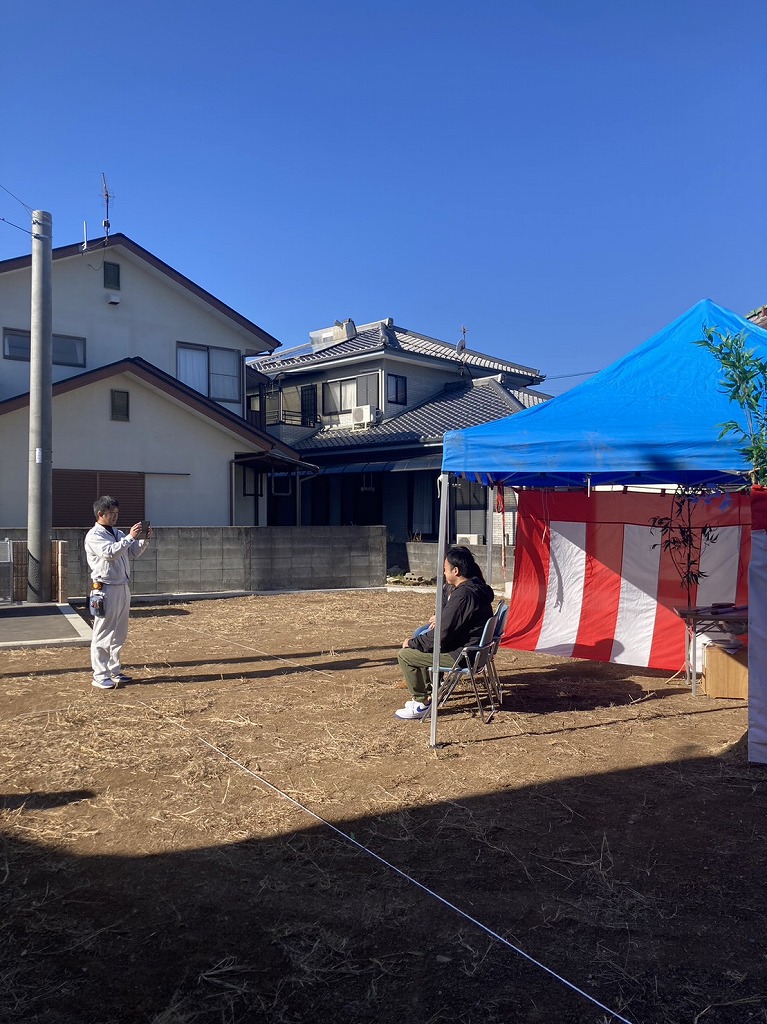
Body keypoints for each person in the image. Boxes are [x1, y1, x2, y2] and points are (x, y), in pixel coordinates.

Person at [394, 546, 495, 720]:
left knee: (405, 655)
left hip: (462, 655)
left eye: (445, 570)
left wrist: (412, 643)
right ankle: (429, 693)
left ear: (455, 571)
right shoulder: (477, 588)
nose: (444, 573)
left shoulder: (463, 595)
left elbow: (442, 633)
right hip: (475, 652)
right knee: (421, 639)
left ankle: (421, 703)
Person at [84, 496, 152, 689]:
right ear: (100, 514)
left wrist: (144, 539)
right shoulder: (94, 536)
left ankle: (114, 670)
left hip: (122, 586)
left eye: (116, 514)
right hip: (105, 587)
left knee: (119, 632)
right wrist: (130, 537)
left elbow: (132, 552)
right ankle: (100, 674)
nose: (115, 517)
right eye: (111, 514)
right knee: (103, 632)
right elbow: (110, 553)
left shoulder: (117, 532)